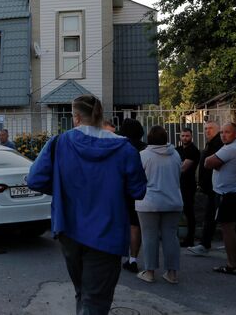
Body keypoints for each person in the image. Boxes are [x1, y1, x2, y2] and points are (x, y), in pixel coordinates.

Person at [27, 95, 147, 315]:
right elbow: (138, 190)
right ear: (100, 116)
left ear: (76, 117)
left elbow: (34, 180)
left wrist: (64, 188)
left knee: (83, 291)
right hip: (107, 233)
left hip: (69, 230)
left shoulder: (59, 143)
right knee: (96, 300)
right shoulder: (125, 150)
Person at [136, 126, 183, 284]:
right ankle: (172, 273)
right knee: (171, 237)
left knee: (149, 237)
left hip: (149, 202)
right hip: (173, 201)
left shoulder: (143, 155)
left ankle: (149, 272)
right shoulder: (175, 154)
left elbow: (137, 178)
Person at [205, 123, 236, 274]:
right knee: (235, 228)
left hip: (228, 195)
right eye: (222, 132)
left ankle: (232, 264)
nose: (223, 135)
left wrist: (216, 162)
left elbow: (208, 162)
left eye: (227, 132)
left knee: (228, 228)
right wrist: (217, 163)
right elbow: (214, 162)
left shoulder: (231, 149)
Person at [188, 121, 223, 256]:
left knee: (212, 217)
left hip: (215, 187)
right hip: (210, 188)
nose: (207, 131)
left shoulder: (218, 144)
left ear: (217, 130)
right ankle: (205, 243)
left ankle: (205, 244)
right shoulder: (210, 143)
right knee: (212, 217)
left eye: (211, 128)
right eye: (206, 128)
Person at [118, 118, 147, 273]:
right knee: (136, 226)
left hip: (122, 191)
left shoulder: (121, 148)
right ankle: (133, 258)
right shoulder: (145, 149)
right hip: (140, 192)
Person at [176, 127, 200, 247]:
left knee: (189, 212)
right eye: (183, 136)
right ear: (180, 136)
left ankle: (190, 239)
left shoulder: (193, 150)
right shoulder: (178, 149)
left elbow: (182, 168)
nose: (185, 138)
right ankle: (176, 237)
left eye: (187, 136)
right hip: (177, 185)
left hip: (188, 186)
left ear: (191, 137)